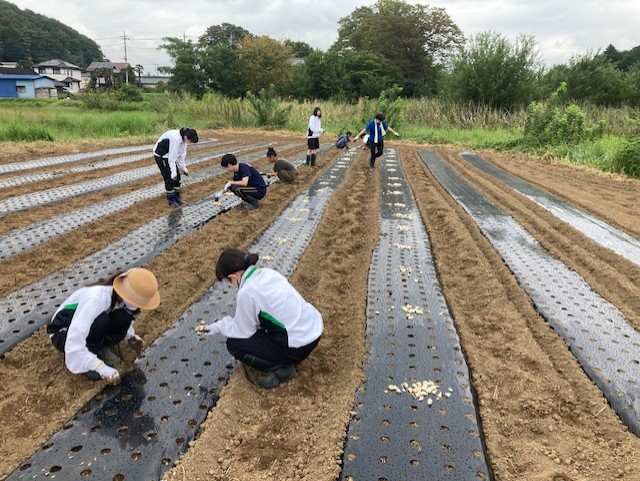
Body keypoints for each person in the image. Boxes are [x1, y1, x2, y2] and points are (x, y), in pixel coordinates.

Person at [204, 248, 323, 389]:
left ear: (233, 277)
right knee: (263, 326)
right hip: (313, 331)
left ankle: (282, 369)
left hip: (297, 347)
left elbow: (243, 331)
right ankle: (285, 357)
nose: (231, 286)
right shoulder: (268, 273)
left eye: (228, 282)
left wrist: (220, 326)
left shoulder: (247, 292)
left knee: (234, 344)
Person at [47, 268, 161, 384]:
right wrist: (100, 367)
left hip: (82, 328)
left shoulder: (119, 299)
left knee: (123, 317)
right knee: (102, 320)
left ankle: (102, 347)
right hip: (63, 333)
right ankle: (91, 357)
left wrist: (130, 337)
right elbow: (75, 336)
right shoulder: (97, 298)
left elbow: (120, 315)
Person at [153, 126, 199, 208]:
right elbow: (172, 157)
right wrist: (173, 171)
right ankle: (171, 200)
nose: (190, 143)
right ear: (186, 137)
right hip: (161, 154)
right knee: (169, 177)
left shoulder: (184, 140)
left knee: (177, 177)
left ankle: (177, 198)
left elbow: (181, 155)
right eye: (190, 141)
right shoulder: (176, 139)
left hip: (169, 154)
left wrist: (184, 168)